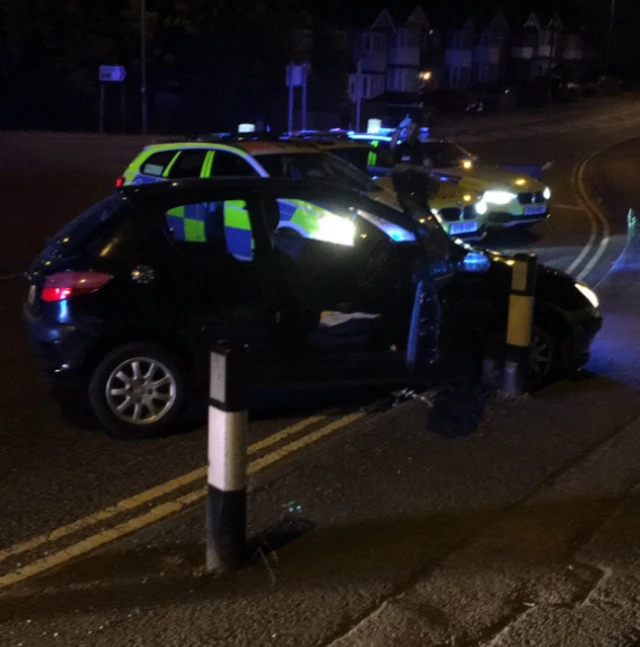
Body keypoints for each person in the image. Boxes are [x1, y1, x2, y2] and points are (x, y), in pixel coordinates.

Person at [390, 120, 437, 212]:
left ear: (417, 133)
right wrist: (399, 127)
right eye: (408, 129)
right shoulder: (402, 147)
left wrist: (410, 167)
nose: (410, 131)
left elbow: (427, 169)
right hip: (402, 189)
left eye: (413, 129)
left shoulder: (422, 149)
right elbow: (392, 145)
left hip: (418, 189)